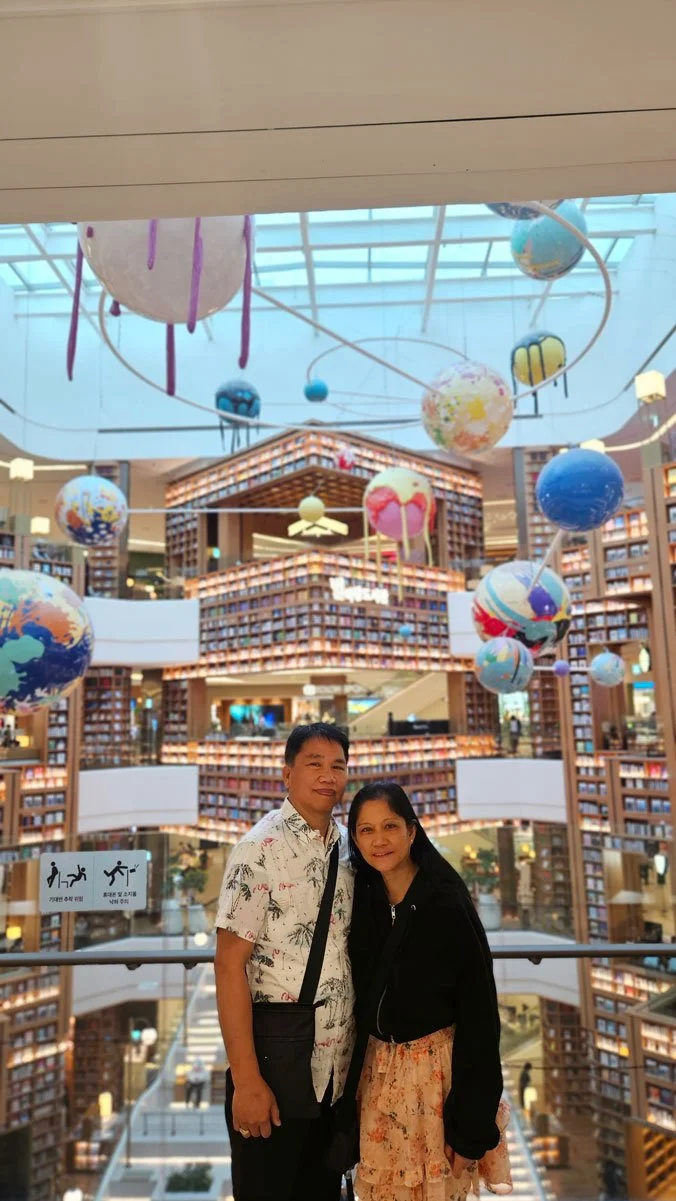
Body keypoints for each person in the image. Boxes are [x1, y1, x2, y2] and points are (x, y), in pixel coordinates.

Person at [339, 781, 511, 1201]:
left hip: (436, 1080)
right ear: (354, 839)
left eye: (390, 826)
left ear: (412, 831)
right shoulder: (361, 898)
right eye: (366, 830)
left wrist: (469, 1127)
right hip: (377, 1078)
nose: (379, 841)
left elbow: (479, 1016)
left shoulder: (445, 902)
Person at [214, 723, 354, 1201]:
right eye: (314, 764)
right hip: (273, 1070)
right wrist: (246, 1082)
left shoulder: (349, 848)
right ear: (287, 774)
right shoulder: (257, 850)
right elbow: (228, 965)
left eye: (338, 766)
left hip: (334, 1075)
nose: (328, 775)